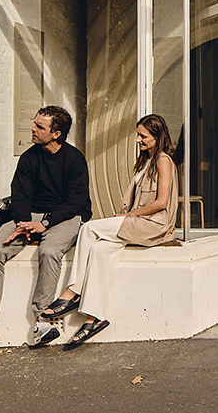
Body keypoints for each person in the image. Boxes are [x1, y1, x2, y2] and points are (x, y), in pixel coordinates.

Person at [0, 106, 92, 349]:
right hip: (31, 216)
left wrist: (44, 224)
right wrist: (23, 223)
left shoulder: (74, 159)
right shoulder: (29, 158)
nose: (33, 129)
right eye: (34, 123)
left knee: (49, 252)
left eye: (40, 126)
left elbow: (76, 202)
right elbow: (20, 195)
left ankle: (44, 320)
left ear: (56, 133)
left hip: (65, 216)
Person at [38, 113, 177, 346]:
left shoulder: (163, 160)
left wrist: (129, 215)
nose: (138, 140)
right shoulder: (146, 161)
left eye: (143, 136)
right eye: (138, 135)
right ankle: (94, 318)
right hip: (138, 223)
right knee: (100, 251)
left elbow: (162, 202)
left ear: (157, 136)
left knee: (89, 229)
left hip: (152, 225)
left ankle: (72, 292)